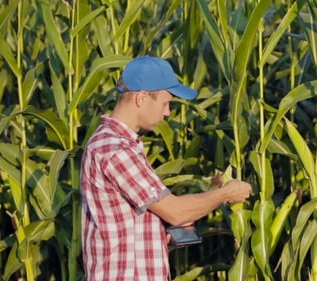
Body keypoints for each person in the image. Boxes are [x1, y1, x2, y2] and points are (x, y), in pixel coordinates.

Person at [80, 55, 252, 281]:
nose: (168, 112)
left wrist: (206, 196)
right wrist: (227, 193)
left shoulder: (121, 145)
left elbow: (139, 217)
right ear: (141, 98)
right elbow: (176, 212)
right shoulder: (115, 150)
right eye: (165, 103)